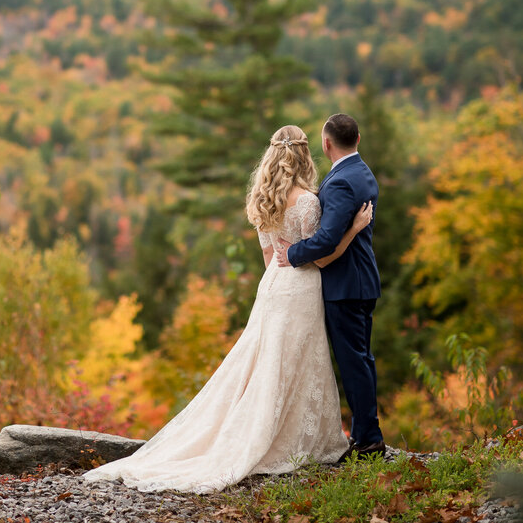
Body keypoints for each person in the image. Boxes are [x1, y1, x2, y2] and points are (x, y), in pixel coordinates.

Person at [83, 124, 372, 493]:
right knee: (300, 362)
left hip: (271, 288)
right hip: (301, 286)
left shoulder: (262, 198)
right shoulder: (309, 202)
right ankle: (296, 439)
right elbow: (323, 257)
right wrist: (355, 228)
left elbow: (270, 256)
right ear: (304, 155)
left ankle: (270, 431)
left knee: (268, 362)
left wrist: (278, 281)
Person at [273, 112, 385, 460]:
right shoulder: (363, 173)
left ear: (326, 144)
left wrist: (292, 253)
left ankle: (368, 441)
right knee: (362, 361)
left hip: (345, 286)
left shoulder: (339, 182)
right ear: (358, 139)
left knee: (354, 364)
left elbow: (325, 241)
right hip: (362, 281)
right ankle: (368, 434)